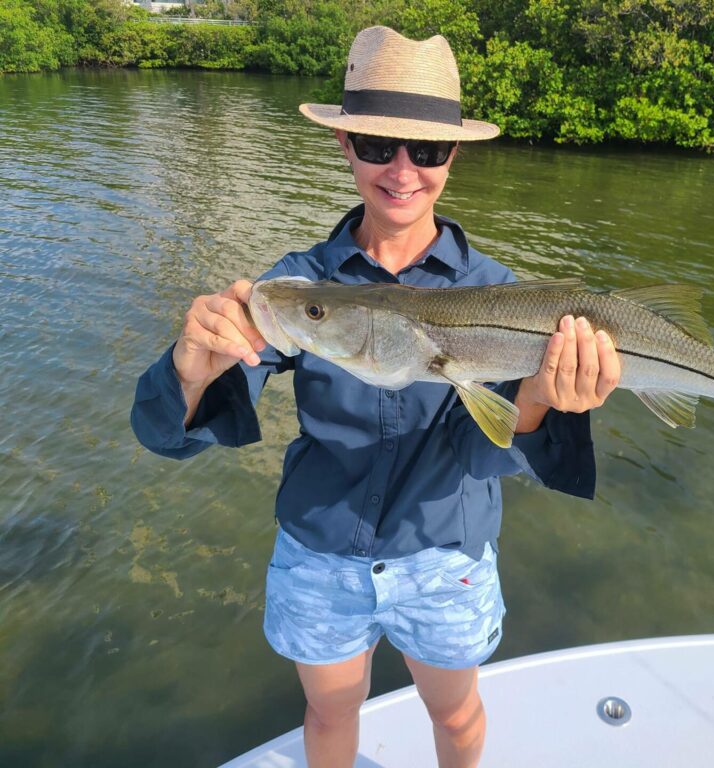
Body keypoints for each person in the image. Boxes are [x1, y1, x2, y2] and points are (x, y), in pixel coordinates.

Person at [131, 26, 620, 768]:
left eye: (426, 150)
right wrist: (189, 372)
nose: (401, 170)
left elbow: (482, 453)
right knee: (328, 716)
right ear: (345, 146)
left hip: (445, 551)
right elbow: (169, 433)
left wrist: (542, 401)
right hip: (321, 549)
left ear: (452, 155)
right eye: (377, 145)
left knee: (455, 719)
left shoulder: (500, 292)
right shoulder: (299, 286)